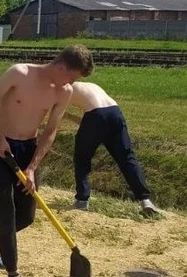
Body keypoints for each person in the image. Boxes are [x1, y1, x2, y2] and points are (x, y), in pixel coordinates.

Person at [0, 45, 94, 277]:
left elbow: (50, 132)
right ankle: (13, 273)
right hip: (0, 149)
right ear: (61, 67)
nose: (72, 82)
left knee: (26, 216)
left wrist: (32, 167)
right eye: (72, 76)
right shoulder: (19, 74)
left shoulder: (64, 91)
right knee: (6, 214)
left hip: (28, 151)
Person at [65, 81, 160, 217]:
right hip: (115, 112)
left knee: (82, 158)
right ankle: (145, 201)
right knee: (127, 157)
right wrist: (68, 116)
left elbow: (93, 122)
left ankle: (82, 200)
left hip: (95, 116)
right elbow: (95, 122)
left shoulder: (64, 88)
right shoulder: (90, 86)